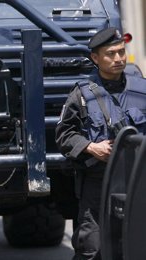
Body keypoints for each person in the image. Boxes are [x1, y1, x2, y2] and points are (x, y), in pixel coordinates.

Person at [55, 27, 146, 259]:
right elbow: (64, 135)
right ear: (95, 58)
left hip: (137, 181)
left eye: (121, 52)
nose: (118, 58)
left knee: (135, 246)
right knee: (92, 248)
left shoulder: (142, 90)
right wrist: (90, 147)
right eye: (110, 53)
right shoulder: (82, 94)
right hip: (98, 184)